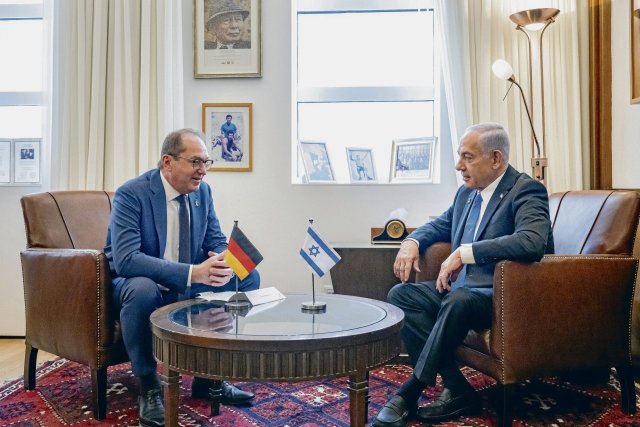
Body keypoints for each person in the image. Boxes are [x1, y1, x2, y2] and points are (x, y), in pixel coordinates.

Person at [373, 122, 554, 427]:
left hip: (499, 297)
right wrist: (411, 242)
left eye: (468, 157)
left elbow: (532, 240)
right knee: (401, 296)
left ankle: (409, 392)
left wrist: (466, 252)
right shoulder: (467, 194)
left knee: (458, 301)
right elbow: (440, 225)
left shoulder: (526, 190)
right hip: (460, 291)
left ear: (495, 158)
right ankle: (457, 388)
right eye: (460, 156)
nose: (459, 165)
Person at [104, 128, 259, 427]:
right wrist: (193, 272)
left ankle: (207, 376)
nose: (203, 170)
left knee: (248, 277)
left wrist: (223, 259)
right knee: (142, 289)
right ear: (168, 162)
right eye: (195, 162)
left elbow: (215, 238)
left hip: (187, 280)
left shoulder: (203, 192)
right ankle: (149, 385)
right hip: (139, 283)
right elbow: (126, 259)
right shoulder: (132, 194)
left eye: (206, 162)